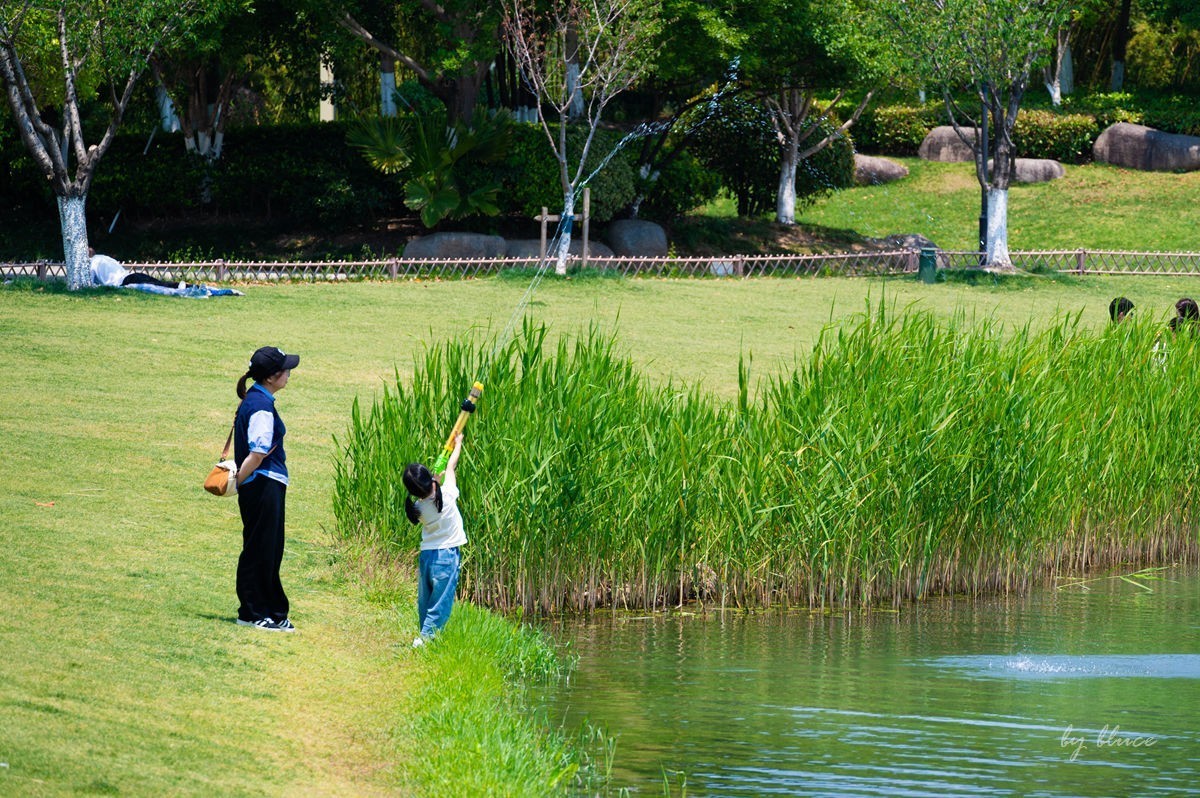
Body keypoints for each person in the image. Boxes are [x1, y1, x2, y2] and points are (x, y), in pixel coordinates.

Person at [233, 346, 300, 632]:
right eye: (285, 369)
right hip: (263, 483)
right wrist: (239, 482)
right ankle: (253, 611)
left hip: (263, 484)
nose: (288, 374)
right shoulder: (261, 406)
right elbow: (257, 453)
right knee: (261, 549)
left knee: (268, 548)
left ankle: (271, 610)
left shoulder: (257, 399)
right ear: (272, 377)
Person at [402, 433, 466, 647]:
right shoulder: (447, 494)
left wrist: (432, 482)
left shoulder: (418, 509)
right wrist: (458, 444)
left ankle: (424, 636)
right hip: (446, 556)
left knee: (426, 600)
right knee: (440, 602)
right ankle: (426, 640)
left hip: (427, 556)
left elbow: (429, 493)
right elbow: (451, 466)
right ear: (430, 479)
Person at [89, 247, 185, 289]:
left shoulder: (91, 263)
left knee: (158, 286)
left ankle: (182, 287)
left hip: (125, 281)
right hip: (132, 275)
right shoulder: (104, 257)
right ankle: (185, 286)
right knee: (159, 283)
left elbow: (88, 283)